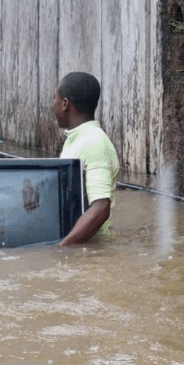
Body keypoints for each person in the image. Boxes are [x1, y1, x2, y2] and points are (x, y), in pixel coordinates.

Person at [51, 71, 120, 245]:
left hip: (91, 250)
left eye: (55, 99)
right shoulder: (77, 140)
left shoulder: (94, 142)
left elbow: (101, 208)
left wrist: (63, 247)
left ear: (65, 103)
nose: (53, 105)